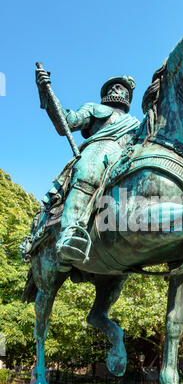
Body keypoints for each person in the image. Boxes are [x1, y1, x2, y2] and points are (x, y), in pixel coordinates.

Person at [36, 68, 140, 270]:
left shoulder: (137, 123)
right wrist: (45, 92)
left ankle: (180, 244)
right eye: (114, 86)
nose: (118, 88)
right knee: (89, 168)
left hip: (128, 156)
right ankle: (71, 232)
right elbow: (66, 122)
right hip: (98, 151)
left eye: (123, 87)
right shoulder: (94, 108)